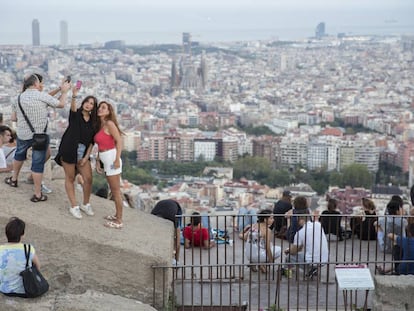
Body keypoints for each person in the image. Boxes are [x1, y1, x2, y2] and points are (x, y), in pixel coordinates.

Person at [4, 73, 70, 202]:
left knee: (19, 154)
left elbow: (13, 118)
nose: (41, 85)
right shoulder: (41, 96)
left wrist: (58, 88)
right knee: (37, 164)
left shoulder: (17, 98)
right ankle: (37, 194)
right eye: (40, 83)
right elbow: (61, 104)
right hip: (39, 136)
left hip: (23, 134)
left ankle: (14, 179)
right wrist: (65, 92)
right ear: (35, 84)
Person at [55, 85, 98, 219]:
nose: (88, 105)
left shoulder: (93, 122)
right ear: (83, 103)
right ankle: (74, 206)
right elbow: (73, 108)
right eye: (87, 102)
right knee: (70, 177)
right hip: (69, 148)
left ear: (93, 107)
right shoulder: (76, 115)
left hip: (83, 151)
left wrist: (86, 157)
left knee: (89, 178)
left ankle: (86, 203)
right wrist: (74, 95)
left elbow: (92, 141)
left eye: (91, 104)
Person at [95, 101, 123, 229]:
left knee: (116, 191)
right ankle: (117, 215)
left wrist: (117, 159)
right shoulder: (101, 125)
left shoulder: (109, 124)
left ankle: (119, 220)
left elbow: (119, 141)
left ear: (108, 112)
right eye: (100, 107)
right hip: (105, 158)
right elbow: (100, 145)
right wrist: (97, 160)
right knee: (113, 189)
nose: (100, 109)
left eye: (103, 108)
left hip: (111, 158)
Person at [0, 217, 42, 297]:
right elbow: (38, 266)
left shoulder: (1, 249)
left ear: (6, 233)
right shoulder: (28, 248)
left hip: (5, 289)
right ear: (22, 234)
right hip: (26, 290)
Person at [284, 212, 329, 279]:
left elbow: (294, 251)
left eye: (298, 220)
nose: (297, 222)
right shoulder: (318, 225)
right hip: (325, 258)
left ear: (302, 220)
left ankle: (307, 269)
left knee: (289, 257)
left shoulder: (300, 232)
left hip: (312, 260)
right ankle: (314, 268)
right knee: (305, 253)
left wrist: (288, 251)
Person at [243, 209, 282, 273]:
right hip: (258, 256)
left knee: (266, 244)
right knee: (279, 249)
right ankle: (262, 264)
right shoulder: (267, 230)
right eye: (271, 218)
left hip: (248, 254)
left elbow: (245, 238)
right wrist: (271, 261)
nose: (273, 220)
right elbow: (267, 247)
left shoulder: (254, 225)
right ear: (265, 220)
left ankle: (254, 263)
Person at [375, 199, 408, 275]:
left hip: (385, 246)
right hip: (400, 247)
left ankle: (386, 269)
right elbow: (408, 227)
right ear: (397, 211)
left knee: (378, 228)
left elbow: (375, 224)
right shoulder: (403, 221)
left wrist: (381, 231)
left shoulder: (383, 219)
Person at [151, 199, 183, 265]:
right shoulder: (171, 216)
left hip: (161, 207)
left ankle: (175, 260)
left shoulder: (155, 216)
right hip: (167, 210)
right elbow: (177, 242)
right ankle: (176, 261)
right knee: (177, 238)